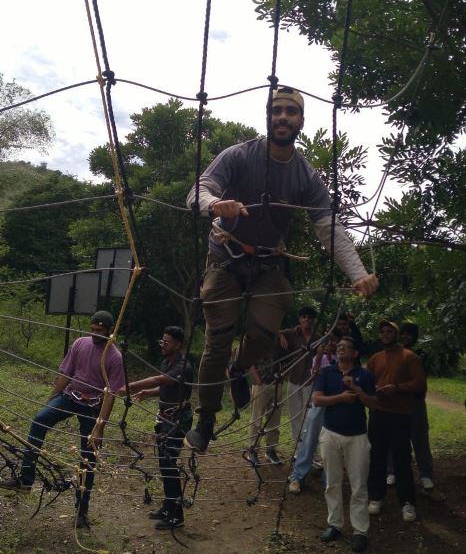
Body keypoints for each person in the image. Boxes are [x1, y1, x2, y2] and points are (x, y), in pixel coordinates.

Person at [184, 86, 378, 453]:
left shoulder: (305, 174)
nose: (283, 117)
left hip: (269, 262)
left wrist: (358, 274)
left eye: (291, 111)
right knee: (217, 339)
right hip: (225, 258)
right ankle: (206, 417)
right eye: (277, 111)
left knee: (262, 334)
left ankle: (239, 369)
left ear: (301, 120)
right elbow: (200, 188)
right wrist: (214, 204)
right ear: (268, 117)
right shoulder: (239, 155)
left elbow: (329, 227)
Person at [0, 311, 124, 528]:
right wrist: (50, 401)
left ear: (110, 331)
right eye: (92, 329)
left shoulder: (114, 357)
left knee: (88, 455)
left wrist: (99, 427)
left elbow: (111, 395)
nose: (95, 334)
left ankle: (81, 510)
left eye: (100, 331)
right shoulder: (80, 344)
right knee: (39, 420)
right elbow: (65, 375)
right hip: (70, 396)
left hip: (93, 406)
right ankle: (25, 480)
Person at [122, 326, 192, 530]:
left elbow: (160, 380)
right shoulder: (166, 362)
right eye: (162, 341)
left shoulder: (184, 366)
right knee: (164, 463)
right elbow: (163, 386)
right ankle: (168, 506)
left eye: (167, 342)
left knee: (169, 464)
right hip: (165, 418)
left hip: (179, 420)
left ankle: (176, 515)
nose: (163, 345)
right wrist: (148, 392)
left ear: (178, 344)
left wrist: (130, 386)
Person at [312, 336, 377, 552]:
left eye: (346, 347)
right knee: (332, 482)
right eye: (339, 346)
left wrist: (356, 390)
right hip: (330, 434)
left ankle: (360, 531)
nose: (340, 349)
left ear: (355, 353)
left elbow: (374, 403)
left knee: (359, 485)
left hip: (357, 436)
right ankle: (335, 524)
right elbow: (317, 399)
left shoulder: (364, 374)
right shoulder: (327, 372)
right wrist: (340, 397)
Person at [367, 320, 427, 522]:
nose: (385, 334)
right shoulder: (375, 358)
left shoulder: (410, 357)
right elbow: (368, 383)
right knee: (377, 456)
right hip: (378, 414)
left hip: (401, 415)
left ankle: (407, 502)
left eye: (389, 331)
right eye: (382, 331)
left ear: (397, 334)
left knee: (402, 459)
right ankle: (376, 497)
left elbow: (420, 384)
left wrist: (397, 388)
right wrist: (372, 390)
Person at [288, 329, 340, 494]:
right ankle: (298, 476)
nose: (331, 344)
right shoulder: (322, 358)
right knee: (309, 438)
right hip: (319, 404)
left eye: (334, 340)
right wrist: (318, 356)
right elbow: (314, 375)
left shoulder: (345, 360)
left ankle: (329, 479)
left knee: (334, 443)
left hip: (338, 407)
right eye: (328, 341)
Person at [386, 322, 436, 492]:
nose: (406, 336)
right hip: (397, 401)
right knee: (394, 438)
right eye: (404, 333)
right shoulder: (393, 352)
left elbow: (418, 379)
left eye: (410, 334)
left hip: (415, 402)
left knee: (420, 438)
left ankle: (426, 474)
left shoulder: (420, 354)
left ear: (415, 337)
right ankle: (391, 471)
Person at [278, 305, 319, 445]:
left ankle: (307, 448)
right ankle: (298, 446)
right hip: (294, 379)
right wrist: (281, 335)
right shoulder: (292, 333)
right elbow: (275, 331)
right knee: (294, 414)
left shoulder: (318, 338)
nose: (306, 320)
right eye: (303, 317)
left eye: (309, 317)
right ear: (299, 319)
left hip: (310, 381)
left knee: (309, 416)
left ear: (313, 320)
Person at [247, 346, 284, 466]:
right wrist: (258, 380)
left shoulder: (279, 340)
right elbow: (248, 361)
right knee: (256, 420)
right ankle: (252, 450)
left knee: (274, 420)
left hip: (277, 384)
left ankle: (270, 451)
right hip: (261, 384)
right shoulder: (257, 340)